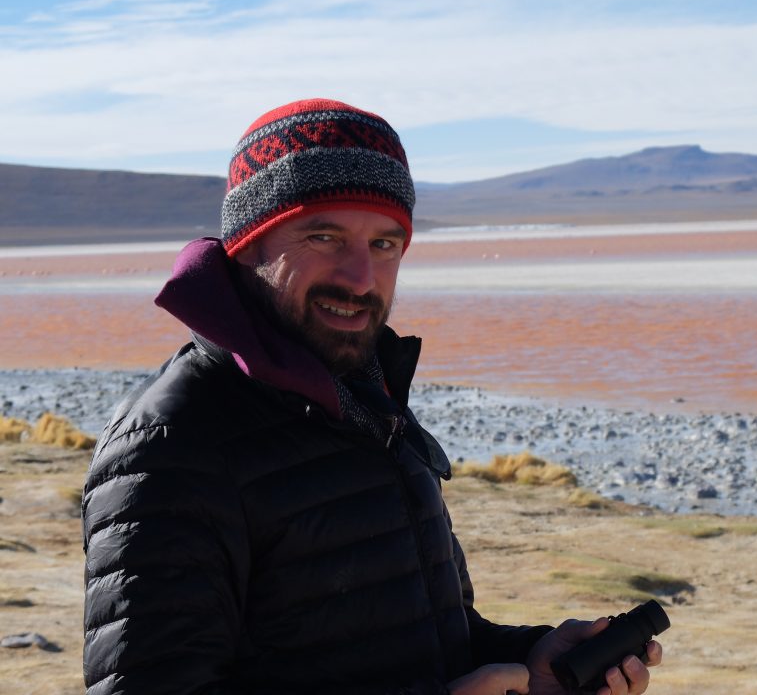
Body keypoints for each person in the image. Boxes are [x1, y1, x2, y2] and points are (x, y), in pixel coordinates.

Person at [81, 98, 663, 695]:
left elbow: (424, 636)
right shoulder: (173, 442)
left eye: (385, 244)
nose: (361, 278)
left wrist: (534, 660)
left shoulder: (369, 407)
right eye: (324, 235)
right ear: (248, 246)